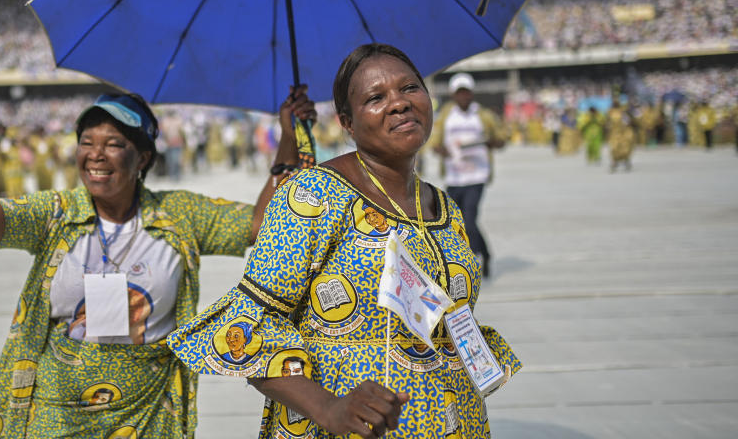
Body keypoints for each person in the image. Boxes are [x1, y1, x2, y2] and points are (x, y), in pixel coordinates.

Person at [0, 89, 316, 439]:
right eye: (86, 141)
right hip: (54, 414)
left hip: (147, 414)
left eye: (113, 143)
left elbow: (261, 224)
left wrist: (289, 140)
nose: (95, 154)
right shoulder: (56, 213)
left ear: (144, 157)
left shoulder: (181, 214)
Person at [167, 44, 519, 439]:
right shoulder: (315, 195)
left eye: (409, 88)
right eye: (376, 97)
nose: (399, 104)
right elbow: (248, 327)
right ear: (348, 124)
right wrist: (330, 408)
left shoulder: (444, 207)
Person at [428, 72, 505, 279]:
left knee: (469, 219)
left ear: (471, 94)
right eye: (459, 93)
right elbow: (435, 142)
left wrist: (491, 142)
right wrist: (442, 150)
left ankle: (476, 257)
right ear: (453, 95)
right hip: (454, 177)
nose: (463, 97)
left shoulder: (482, 115)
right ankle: (484, 254)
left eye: (466, 92)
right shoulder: (446, 116)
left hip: (477, 175)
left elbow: (500, 139)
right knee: (456, 222)